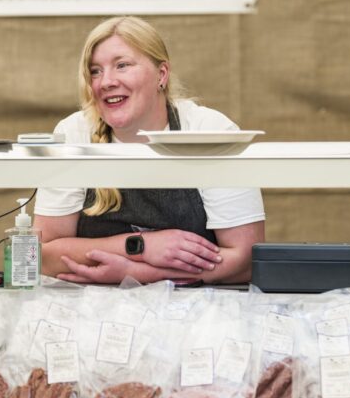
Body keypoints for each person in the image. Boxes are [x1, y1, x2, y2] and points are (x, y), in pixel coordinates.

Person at [35, 16, 265, 285]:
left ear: (162, 75)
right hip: (95, 312)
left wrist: (140, 274)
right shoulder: (74, 132)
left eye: (122, 65)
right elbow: (42, 255)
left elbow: (246, 259)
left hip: (195, 313)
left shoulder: (208, 129)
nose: (106, 81)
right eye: (95, 71)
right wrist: (140, 245)